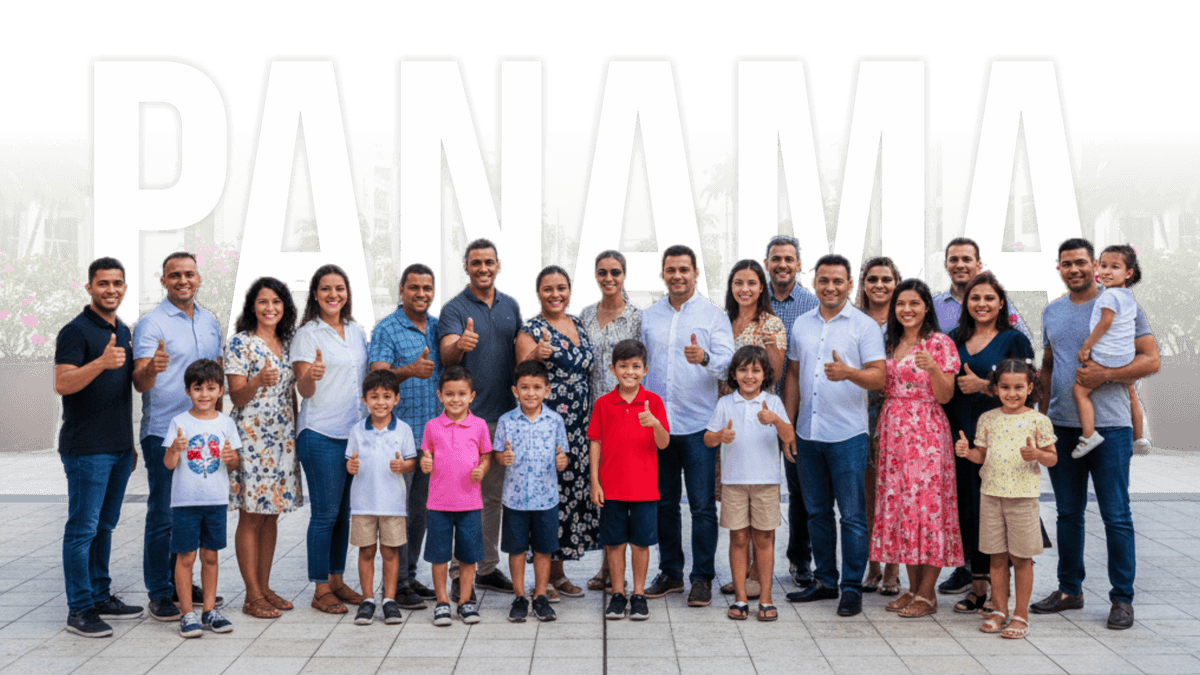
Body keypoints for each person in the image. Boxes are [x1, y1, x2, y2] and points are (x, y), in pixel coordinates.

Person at [1032, 238, 1159, 631]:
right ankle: (1069, 590)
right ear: (1059, 268)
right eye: (1066, 263)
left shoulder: (1121, 305)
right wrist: (1042, 420)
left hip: (1111, 426)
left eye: (1081, 262)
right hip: (1062, 426)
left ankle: (1122, 599)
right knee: (1067, 513)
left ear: (1095, 265)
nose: (1074, 269)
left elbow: (1151, 361)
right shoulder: (1052, 311)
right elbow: (1048, 366)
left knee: (1116, 515)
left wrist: (1107, 374)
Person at [782, 254, 885, 617]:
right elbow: (793, 375)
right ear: (814, 283)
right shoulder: (802, 325)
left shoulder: (864, 326)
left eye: (837, 281)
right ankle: (825, 581)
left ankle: (851, 587)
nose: (830, 287)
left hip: (847, 435)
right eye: (823, 280)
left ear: (849, 284)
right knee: (816, 513)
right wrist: (789, 426)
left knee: (853, 515)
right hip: (808, 434)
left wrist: (849, 373)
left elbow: (879, 376)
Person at [932, 236, 1031, 596]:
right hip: (960, 432)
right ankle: (976, 582)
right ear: (966, 304)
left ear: (1001, 303)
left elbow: (1029, 389)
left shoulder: (1013, 340)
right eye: (975, 298)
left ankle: (1001, 589)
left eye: (989, 298)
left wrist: (985, 386)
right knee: (967, 506)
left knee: (999, 508)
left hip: (1000, 436)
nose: (982, 304)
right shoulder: (953, 339)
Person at [640, 245, 735, 607]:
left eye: (684, 269)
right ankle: (671, 573)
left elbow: (728, 365)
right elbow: (639, 366)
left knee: (701, 507)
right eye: (671, 270)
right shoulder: (649, 317)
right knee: (664, 504)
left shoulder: (713, 316)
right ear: (663, 274)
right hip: (659, 427)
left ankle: (702, 578)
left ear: (695, 273)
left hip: (698, 426)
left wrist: (704, 357)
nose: (677, 276)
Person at [54, 257, 144, 637]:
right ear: (89, 287)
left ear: (124, 288)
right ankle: (79, 609)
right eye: (103, 283)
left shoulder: (121, 329)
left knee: (104, 526)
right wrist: (100, 363)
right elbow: (62, 383)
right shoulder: (75, 331)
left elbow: (123, 392)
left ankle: (100, 594)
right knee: (82, 529)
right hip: (87, 449)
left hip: (118, 447)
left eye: (117, 283)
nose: (111, 290)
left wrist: (129, 445)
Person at [132, 251, 224, 621]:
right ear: (163, 280)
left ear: (198, 277)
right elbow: (140, 383)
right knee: (163, 514)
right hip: (164, 432)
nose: (183, 281)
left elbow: (216, 375)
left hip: (204, 434)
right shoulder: (151, 324)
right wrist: (152, 369)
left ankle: (178, 582)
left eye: (189, 274)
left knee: (189, 512)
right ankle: (159, 591)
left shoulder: (210, 320)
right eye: (174, 275)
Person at [870, 279, 963, 618]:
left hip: (926, 433)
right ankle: (912, 588)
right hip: (893, 434)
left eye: (914, 303)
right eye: (901, 304)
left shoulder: (939, 343)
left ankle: (928, 593)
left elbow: (946, 395)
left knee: (928, 509)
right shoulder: (889, 343)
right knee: (901, 509)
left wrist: (933, 367)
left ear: (926, 307)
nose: (906, 309)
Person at [438, 238, 521, 597]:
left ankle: (485, 567)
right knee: (464, 499)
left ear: (497, 265)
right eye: (476, 263)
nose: (483, 269)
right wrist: (460, 345)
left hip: (503, 418)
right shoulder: (455, 308)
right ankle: (460, 574)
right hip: (468, 421)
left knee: (491, 499)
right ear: (466, 268)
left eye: (489, 262)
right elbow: (446, 355)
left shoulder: (510, 306)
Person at [955, 358, 1058, 639]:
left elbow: (1052, 458)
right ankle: (999, 610)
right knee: (996, 558)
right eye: (1005, 387)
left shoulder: (1038, 421)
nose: (1012, 393)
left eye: (1018, 387)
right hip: (990, 496)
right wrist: (966, 452)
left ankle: (1020, 616)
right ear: (995, 388)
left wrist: (1037, 454)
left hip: (1023, 499)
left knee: (1022, 559)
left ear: (1030, 388)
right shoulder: (987, 419)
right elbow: (981, 455)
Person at [514, 265, 597, 599]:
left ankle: (558, 574)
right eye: (548, 289)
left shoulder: (578, 324)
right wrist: (537, 354)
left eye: (561, 288)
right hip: (547, 427)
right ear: (538, 293)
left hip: (580, 426)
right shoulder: (531, 330)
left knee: (569, 499)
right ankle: (542, 580)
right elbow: (523, 373)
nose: (555, 294)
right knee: (546, 499)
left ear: (570, 291)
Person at [224, 277, 303, 620]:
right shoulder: (241, 343)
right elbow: (237, 396)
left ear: (285, 306)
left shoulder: (288, 342)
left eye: (276, 302)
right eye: (263, 302)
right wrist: (257, 380)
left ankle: (265, 587)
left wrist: (296, 433)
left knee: (271, 514)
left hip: (282, 437)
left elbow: (291, 395)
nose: (270, 308)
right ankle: (251, 594)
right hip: (252, 437)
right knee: (251, 515)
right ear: (252, 307)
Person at [292, 264, 369, 614]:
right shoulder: (308, 334)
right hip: (321, 434)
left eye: (339, 288)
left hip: (353, 435)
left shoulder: (356, 330)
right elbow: (304, 389)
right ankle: (320, 588)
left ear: (347, 293)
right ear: (315, 294)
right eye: (325, 289)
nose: (333, 294)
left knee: (343, 515)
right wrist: (312, 374)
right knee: (325, 515)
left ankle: (337, 580)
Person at [369, 263, 442, 609]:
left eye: (427, 288)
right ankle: (396, 584)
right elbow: (376, 378)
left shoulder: (437, 328)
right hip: (398, 439)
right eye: (414, 287)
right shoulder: (387, 328)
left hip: (430, 438)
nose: (421, 294)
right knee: (397, 513)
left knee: (419, 513)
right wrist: (410, 370)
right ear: (401, 291)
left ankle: (409, 576)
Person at [704, 346, 793, 622]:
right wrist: (720, 435)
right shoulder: (725, 403)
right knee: (739, 538)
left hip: (766, 481)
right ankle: (741, 598)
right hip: (734, 482)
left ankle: (765, 598)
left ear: (765, 374)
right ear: (733, 374)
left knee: (764, 539)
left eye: (756, 370)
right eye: (743, 370)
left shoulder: (773, 402)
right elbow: (708, 438)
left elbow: (789, 435)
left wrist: (775, 419)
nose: (749, 376)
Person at [717, 259, 786, 600]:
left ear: (762, 287)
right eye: (738, 283)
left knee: (758, 505)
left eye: (751, 283)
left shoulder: (771, 323)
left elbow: (774, 373)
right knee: (733, 499)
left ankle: (757, 575)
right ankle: (741, 574)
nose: (744, 289)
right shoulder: (722, 321)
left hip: (759, 417)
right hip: (726, 413)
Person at [588, 339, 670, 621]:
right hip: (612, 487)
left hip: (644, 488)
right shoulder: (603, 404)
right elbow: (595, 442)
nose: (630, 372)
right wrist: (595, 482)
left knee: (641, 544)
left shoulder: (653, 402)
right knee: (615, 543)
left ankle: (638, 594)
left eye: (636, 366)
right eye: (623, 366)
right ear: (613, 369)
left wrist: (655, 423)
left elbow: (663, 443)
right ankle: (618, 593)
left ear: (645, 369)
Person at [579, 250, 642, 592]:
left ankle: (615, 571)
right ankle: (607, 567)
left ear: (624, 275)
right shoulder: (586, 315)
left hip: (625, 415)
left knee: (622, 492)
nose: (609, 278)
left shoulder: (636, 317)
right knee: (603, 492)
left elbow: (641, 367)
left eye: (615, 272)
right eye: (602, 272)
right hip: (593, 413)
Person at [163, 359, 240, 638]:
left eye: (210, 388)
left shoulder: (226, 423)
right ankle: (187, 613)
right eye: (197, 388)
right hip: (186, 503)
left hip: (215, 502)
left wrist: (231, 458)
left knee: (210, 556)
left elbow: (233, 462)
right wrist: (174, 448)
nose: (204, 394)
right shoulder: (179, 423)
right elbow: (169, 464)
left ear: (220, 390)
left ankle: (209, 611)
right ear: (188, 391)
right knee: (185, 557)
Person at [494, 360, 570, 623]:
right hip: (514, 499)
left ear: (547, 390)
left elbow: (563, 455)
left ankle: (540, 596)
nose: (530, 393)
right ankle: (519, 596)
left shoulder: (555, 421)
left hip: (546, 499)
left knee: (543, 549)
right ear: (515, 390)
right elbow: (497, 454)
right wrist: (502, 457)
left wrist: (562, 461)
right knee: (516, 549)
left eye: (537, 387)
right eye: (524, 387)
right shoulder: (506, 421)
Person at [763, 235, 818, 589]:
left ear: (798, 265)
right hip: (755, 409)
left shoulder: (813, 305)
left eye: (788, 259)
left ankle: (800, 559)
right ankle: (752, 564)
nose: (782, 264)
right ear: (767, 263)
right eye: (776, 258)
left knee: (800, 491)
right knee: (752, 484)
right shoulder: (754, 299)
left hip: (796, 411)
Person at [344, 369, 418, 627]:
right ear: (364, 399)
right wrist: (351, 467)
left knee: (390, 552)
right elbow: (349, 462)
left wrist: (403, 466)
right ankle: (367, 600)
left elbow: (411, 461)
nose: (380, 402)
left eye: (387, 396)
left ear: (396, 399)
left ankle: (389, 600)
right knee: (366, 551)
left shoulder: (403, 430)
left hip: (392, 504)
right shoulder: (357, 430)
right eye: (374, 396)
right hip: (363, 504)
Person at [421, 366, 493, 626]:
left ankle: (465, 601)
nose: (456, 399)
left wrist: (482, 469)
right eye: (449, 394)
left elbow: (486, 456)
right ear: (440, 395)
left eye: (462, 394)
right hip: (438, 503)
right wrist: (425, 464)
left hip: (470, 503)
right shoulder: (432, 427)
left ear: (471, 396)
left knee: (468, 555)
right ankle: (442, 602)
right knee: (439, 555)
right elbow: (426, 456)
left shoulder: (480, 425)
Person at [854, 256, 903, 597]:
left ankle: (893, 569)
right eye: (872, 279)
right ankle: (872, 565)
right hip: (860, 412)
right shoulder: (853, 321)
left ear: (896, 283)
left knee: (894, 494)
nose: (879, 285)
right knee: (869, 496)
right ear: (863, 284)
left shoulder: (906, 322)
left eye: (886, 279)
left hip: (898, 414)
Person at [1072, 245, 1149, 458]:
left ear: (1128, 273)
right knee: (1131, 392)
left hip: (1108, 358)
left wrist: (1087, 346)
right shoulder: (1128, 295)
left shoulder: (1108, 296)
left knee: (1080, 391)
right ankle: (1139, 438)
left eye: (1114, 267)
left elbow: (1105, 323)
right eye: (1103, 266)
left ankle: (1089, 435)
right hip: (1126, 356)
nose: (1106, 271)